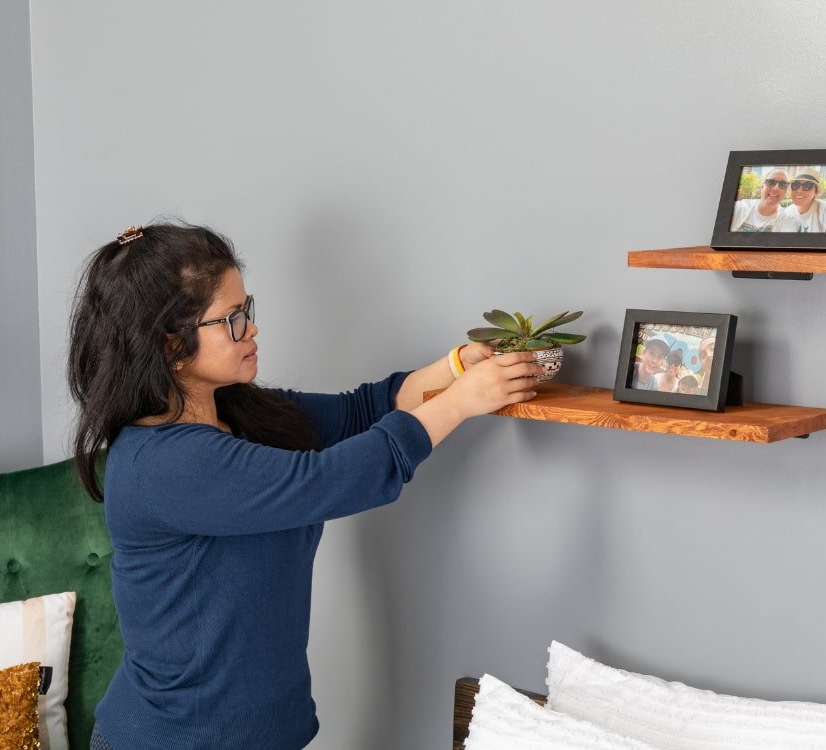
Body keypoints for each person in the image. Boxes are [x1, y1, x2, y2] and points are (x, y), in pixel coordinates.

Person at [67, 221, 544, 750]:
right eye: (232, 320)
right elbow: (327, 481)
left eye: (248, 309)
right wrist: (460, 403)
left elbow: (359, 412)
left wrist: (455, 367)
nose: (251, 329)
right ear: (170, 345)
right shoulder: (162, 464)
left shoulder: (241, 412)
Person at [728, 167, 789, 232]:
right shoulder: (740, 208)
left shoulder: (786, 219)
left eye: (783, 184)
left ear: (785, 192)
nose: (776, 188)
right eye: (771, 182)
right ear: (762, 187)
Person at [774, 167, 826, 233]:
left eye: (807, 186)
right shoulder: (787, 213)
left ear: (815, 192)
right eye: (795, 185)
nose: (799, 190)